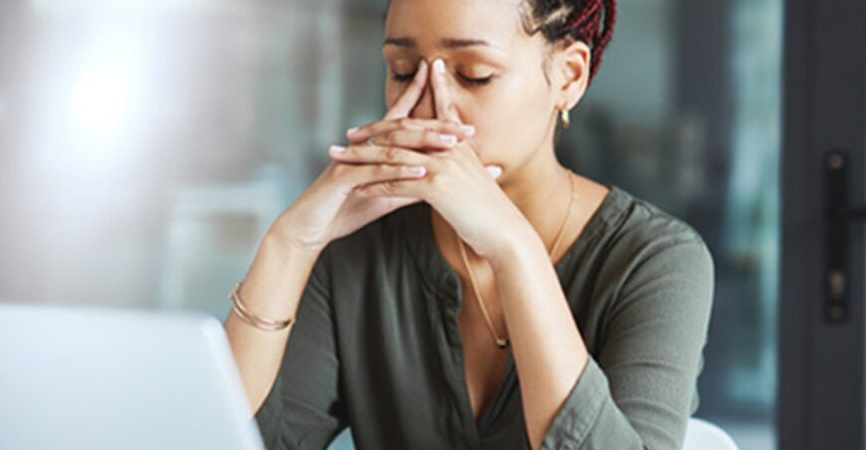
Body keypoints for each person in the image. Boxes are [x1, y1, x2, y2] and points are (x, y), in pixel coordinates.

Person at [221, 0, 715, 449]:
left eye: (475, 75)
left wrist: (512, 248)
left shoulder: (656, 261)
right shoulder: (358, 247)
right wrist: (290, 243)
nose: (432, 105)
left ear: (568, 77)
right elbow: (234, 440)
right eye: (403, 70)